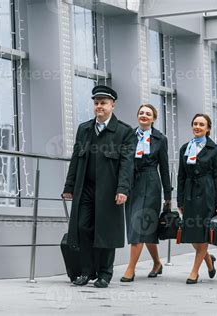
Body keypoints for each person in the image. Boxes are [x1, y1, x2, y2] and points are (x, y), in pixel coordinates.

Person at [62, 85, 136, 288]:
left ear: (113, 105)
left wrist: (123, 189)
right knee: (83, 227)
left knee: (106, 231)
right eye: (96, 103)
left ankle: (105, 273)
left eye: (103, 103)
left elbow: (127, 164)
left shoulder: (124, 132)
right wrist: (69, 186)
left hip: (109, 190)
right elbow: (76, 159)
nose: (99, 107)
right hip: (85, 188)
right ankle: (86, 272)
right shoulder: (84, 129)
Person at [120, 104, 172, 282]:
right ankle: (157, 263)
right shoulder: (128, 136)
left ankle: (130, 268)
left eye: (148, 114)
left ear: (153, 118)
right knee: (146, 229)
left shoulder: (160, 139)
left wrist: (168, 196)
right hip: (132, 184)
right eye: (141, 113)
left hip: (151, 184)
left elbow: (164, 169)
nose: (144, 116)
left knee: (140, 225)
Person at [177, 113, 217, 284]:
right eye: (195, 123)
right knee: (192, 235)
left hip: (207, 194)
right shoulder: (185, 148)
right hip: (189, 194)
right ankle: (209, 261)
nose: (197, 127)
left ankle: (194, 272)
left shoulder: (214, 149)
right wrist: (180, 199)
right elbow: (181, 175)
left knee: (203, 234)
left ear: (208, 129)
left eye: (201, 124)